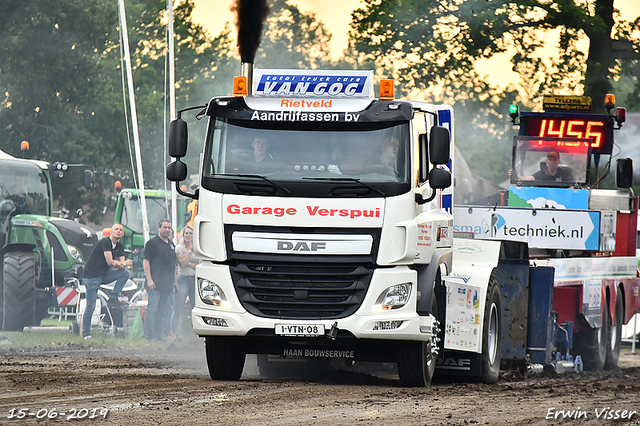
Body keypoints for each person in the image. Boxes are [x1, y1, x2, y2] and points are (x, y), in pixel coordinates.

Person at [81, 223, 132, 339]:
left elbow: (122, 267)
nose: (118, 231)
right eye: (116, 229)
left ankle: (113, 297)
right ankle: (86, 333)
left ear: (123, 234)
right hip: (92, 276)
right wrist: (123, 263)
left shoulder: (120, 247)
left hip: (103, 275)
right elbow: (110, 262)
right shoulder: (105, 242)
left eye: (121, 230)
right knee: (91, 306)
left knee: (125, 273)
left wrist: (121, 264)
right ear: (111, 232)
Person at [143, 219, 178, 341]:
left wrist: (175, 282)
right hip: (155, 283)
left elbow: (174, 265)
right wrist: (149, 279)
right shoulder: (152, 243)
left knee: (162, 311)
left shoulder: (171, 244)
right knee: (152, 309)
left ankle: (158, 336)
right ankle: (150, 336)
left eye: (169, 228)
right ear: (159, 228)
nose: (167, 230)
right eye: (165, 227)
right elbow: (146, 261)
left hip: (167, 284)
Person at [171, 225, 200, 339]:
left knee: (195, 308)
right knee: (178, 308)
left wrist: (188, 262)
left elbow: (201, 264)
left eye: (190, 233)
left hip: (195, 279)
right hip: (183, 279)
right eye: (186, 233)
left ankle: (194, 334)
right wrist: (190, 251)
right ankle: (173, 334)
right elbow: (182, 263)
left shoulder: (199, 248)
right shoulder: (179, 248)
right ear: (183, 235)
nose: (188, 235)